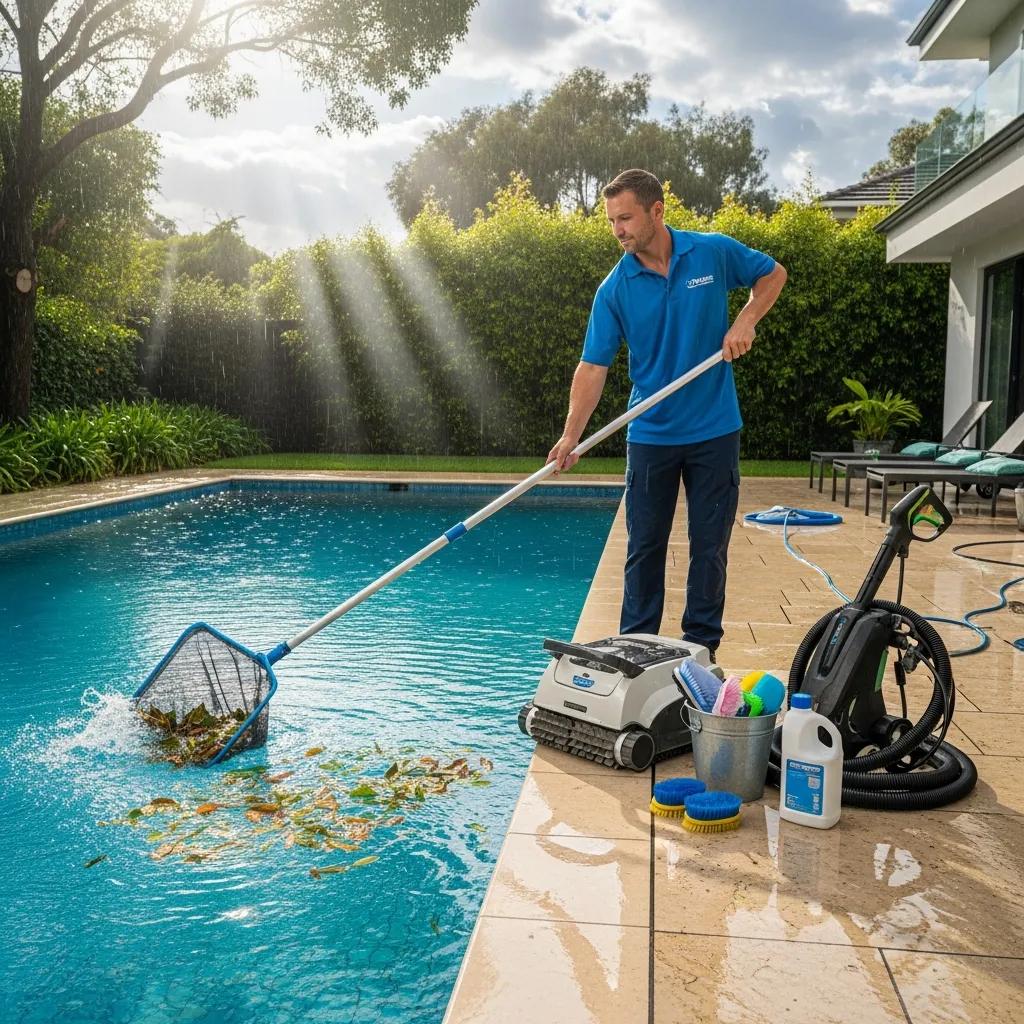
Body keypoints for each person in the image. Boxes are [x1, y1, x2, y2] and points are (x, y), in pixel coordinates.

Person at [547, 169, 787, 660]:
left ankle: (700, 651)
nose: (618, 229)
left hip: (715, 430)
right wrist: (570, 436)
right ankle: (636, 649)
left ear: (657, 211)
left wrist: (745, 319)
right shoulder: (615, 288)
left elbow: (773, 274)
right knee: (644, 549)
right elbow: (593, 367)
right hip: (652, 433)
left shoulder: (712, 252)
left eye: (626, 217)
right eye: (612, 220)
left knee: (709, 547)